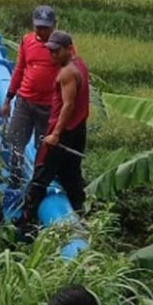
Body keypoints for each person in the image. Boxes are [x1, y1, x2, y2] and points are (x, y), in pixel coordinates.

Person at [18, 30, 89, 227]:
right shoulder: (80, 65)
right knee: (72, 174)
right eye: (50, 51)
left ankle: (24, 223)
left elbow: (68, 105)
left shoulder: (67, 72)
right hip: (78, 130)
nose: (53, 56)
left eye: (57, 51)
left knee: (40, 177)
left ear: (68, 49)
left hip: (63, 132)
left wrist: (56, 134)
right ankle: (80, 214)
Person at [0, 5, 60, 191]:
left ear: (54, 26)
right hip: (25, 101)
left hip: (49, 106)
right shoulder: (27, 41)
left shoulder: (63, 45)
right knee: (16, 141)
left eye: (46, 28)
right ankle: (15, 180)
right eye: (39, 27)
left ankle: (38, 184)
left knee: (43, 147)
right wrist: (8, 99)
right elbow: (19, 70)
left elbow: (71, 73)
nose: (42, 32)